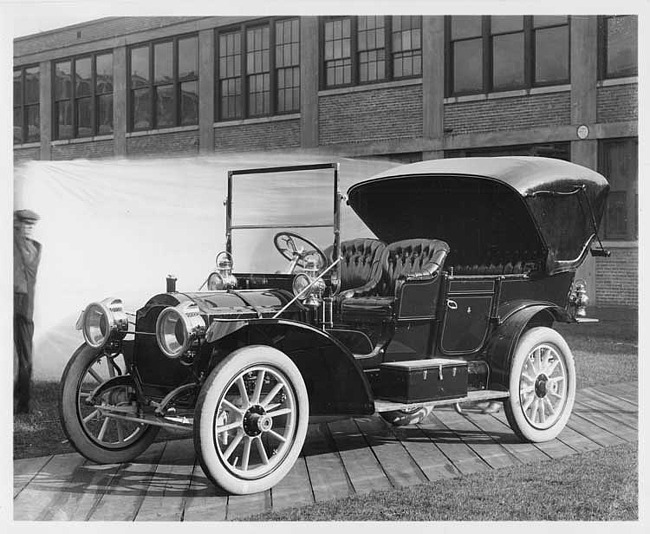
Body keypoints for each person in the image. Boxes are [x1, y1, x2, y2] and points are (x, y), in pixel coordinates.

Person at [14, 209, 41, 414]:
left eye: (32, 225)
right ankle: (17, 391)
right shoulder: (13, 244)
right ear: (19, 225)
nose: (29, 228)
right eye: (26, 225)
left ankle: (23, 402)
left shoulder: (35, 248)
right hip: (13, 305)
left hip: (24, 309)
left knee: (25, 357)